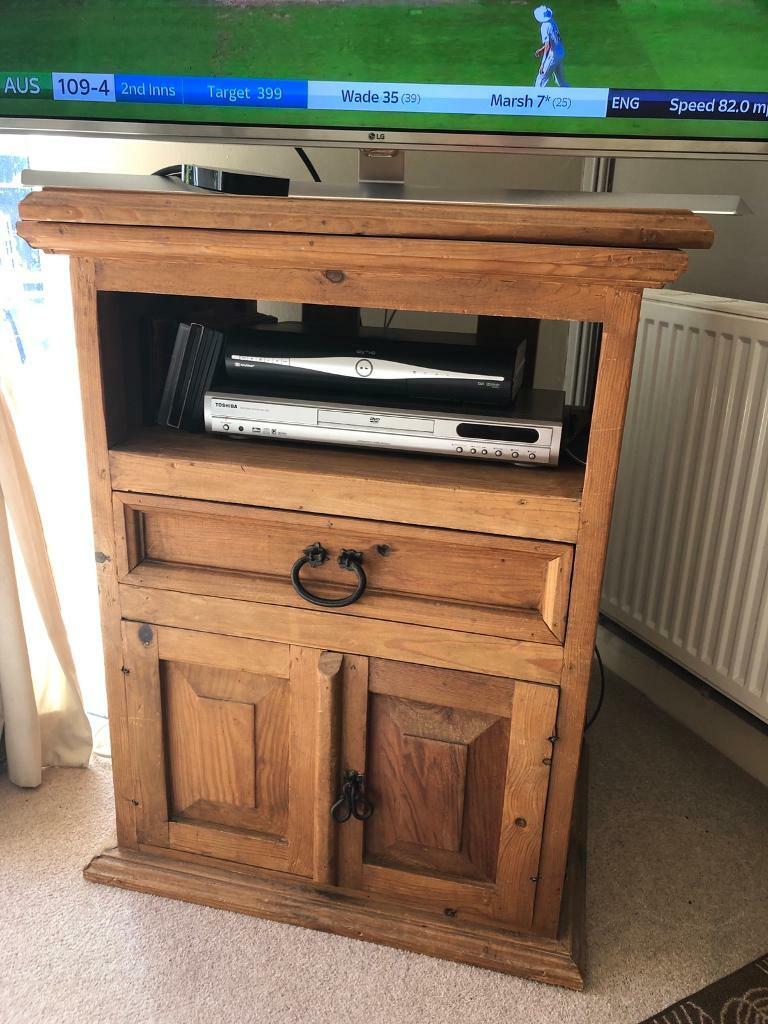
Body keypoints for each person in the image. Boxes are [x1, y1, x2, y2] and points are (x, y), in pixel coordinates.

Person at [533, 5, 570, 87]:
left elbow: (548, 45)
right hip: (560, 52)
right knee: (560, 81)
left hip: (553, 55)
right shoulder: (552, 22)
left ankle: (536, 98)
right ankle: (573, 94)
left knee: (541, 79)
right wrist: (542, 49)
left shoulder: (544, 26)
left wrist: (542, 64)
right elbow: (554, 40)